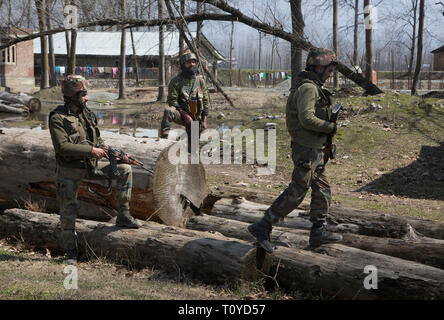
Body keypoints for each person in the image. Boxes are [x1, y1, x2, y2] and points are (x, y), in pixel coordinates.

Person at [248, 48, 343, 252]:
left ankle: (318, 231)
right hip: (306, 150)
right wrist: (330, 127)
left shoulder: (314, 87)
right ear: (317, 67)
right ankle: (263, 225)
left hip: (315, 150)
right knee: (297, 191)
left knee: (322, 189)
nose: (330, 74)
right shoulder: (308, 88)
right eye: (328, 69)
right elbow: (306, 118)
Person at [49, 75, 141, 264]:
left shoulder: (88, 115)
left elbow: (98, 142)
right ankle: (70, 252)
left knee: (124, 169)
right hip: (69, 171)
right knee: (68, 209)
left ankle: (123, 215)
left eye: (86, 94)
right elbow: (62, 147)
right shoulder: (57, 117)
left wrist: (114, 154)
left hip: (90, 166)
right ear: (72, 94)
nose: (86, 98)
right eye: (83, 94)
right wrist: (92, 150)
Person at [160, 52, 209, 139]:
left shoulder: (201, 81)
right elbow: (172, 101)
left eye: (193, 62)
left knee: (193, 145)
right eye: (188, 62)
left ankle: (182, 138)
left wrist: (204, 121)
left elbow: (205, 101)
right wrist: (185, 115)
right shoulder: (175, 81)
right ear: (183, 65)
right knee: (168, 111)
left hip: (196, 118)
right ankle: (164, 138)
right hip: (182, 115)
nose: (192, 64)